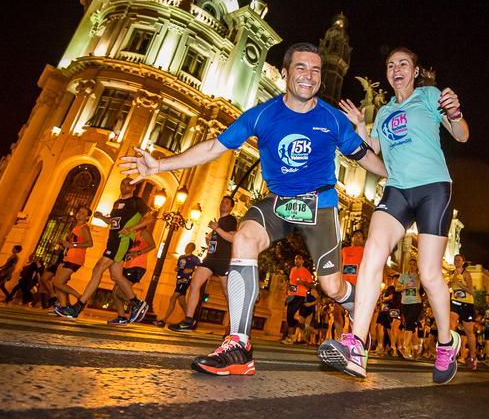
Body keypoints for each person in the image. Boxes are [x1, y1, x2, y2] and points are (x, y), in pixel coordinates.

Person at [120, 42, 387, 376]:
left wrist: (400, 178)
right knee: (243, 238)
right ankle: (238, 346)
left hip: (319, 204)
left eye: (316, 70)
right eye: (301, 68)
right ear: (286, 73)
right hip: (277, 203)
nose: (309, 76)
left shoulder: (333, 119)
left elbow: (365, 158)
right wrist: (159, 166)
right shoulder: (262, 114)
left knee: (331, 286)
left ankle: (352, 302)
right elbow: (213, 147)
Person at [319, 46, 468, 384]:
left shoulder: (430, 96)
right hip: (397, 189)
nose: (396, 69)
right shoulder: (384, 112)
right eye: (390, 65)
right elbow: (374, 151)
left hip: (433, 189)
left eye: (403, 64)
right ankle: (356, 346)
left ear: (415, 71)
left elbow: (461, 135)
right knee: (373, 251)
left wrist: (455, 112)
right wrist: (359, 125)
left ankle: (446, 343)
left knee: (430, 274)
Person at [57, 177, 151, 322]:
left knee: (98, 269)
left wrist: (131, 229)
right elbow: (113, 222)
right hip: (112, 241)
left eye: (128, 184)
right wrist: (102, 217)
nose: (124, 186)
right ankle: (137, 303)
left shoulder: (137, 202)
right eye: (122, 183)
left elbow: (149, 219)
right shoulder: (117, 203)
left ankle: (78, 306)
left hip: (122, 241)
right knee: (116, 276)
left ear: (133, 188)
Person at [169, 196, 236, 332]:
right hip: (210, 259)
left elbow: (233, 238)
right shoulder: (219, 221)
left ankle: (234, 325)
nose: (224, 204)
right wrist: (209, 240)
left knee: (227, 293)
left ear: (231, 208)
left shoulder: (230, 220)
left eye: (227, 203)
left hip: (223, 260)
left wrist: (217, 229)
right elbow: (216, 243)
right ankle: (188, 320)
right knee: (194, 284)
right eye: (223, 201)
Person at [107, 226, 155, 325]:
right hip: (128, 265)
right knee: (115, 292)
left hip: (138, 266)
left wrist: (137, 253)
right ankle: (121, 317)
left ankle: (138, 304)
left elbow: (152, 245)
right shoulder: (132, 234)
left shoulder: (144, 232)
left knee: (119, 293)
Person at [52, 208, 93, 311]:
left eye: (83, 213)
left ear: (87, 217)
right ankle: (64, 306)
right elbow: (72, 243)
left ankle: (80, 297)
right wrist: (63, 244)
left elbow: (90, 243)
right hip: (68, 257)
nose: (79, 214)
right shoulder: (75, 227)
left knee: (58, 283)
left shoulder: (84, 228)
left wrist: (72, 244)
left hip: (75, 259)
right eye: (79, 212)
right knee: (58, 283)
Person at [155, 242, 198, 327]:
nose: (187, 248)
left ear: (193, 249)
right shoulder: (181, 257)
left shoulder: (194, 258)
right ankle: (190, 320)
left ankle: (163, 320)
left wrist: (191, 270)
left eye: (190, 247)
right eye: (187, 246)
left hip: (185, 280)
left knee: (173, 297)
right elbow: (179, 267)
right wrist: (177, 268)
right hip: (179, 279)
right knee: (182, 302)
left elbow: (198, 268)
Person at [333, 229, 365, 337]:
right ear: (351, 238)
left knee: (354, 316)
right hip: (343, 285)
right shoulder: (344, 250)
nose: (357, 238)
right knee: (336, 312)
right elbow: (339, 266)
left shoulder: (365, 251)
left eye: (360, 236)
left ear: (363, 240)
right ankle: (339, 337)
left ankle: (353, 340)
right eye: (355, 235)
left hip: (357, 287)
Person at [282, 255, 314, 344]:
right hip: (291, 295)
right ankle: (293, 334)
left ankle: (291, 336)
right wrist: (287, 289)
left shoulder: (306, 272)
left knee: (291, 314)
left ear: (303, 261)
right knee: (289, 316)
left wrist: (302, 282)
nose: (297, 260)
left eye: (299, 259)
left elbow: (312, 285)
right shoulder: (292, 269)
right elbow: (290, 281)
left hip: (300, 295)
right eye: (296, 258)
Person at [399, 258, 423, 359]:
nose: (412, 266)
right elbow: (397, 288)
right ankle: (417, 347)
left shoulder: (420, 276)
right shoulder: (403, 275)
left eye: (414, 264)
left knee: (409, 324)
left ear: (417, 266)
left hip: (416, 303)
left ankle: (405, 347)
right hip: (405, 302)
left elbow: (422, 288)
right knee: (410, 326)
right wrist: (405, 286)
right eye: (411, 264)